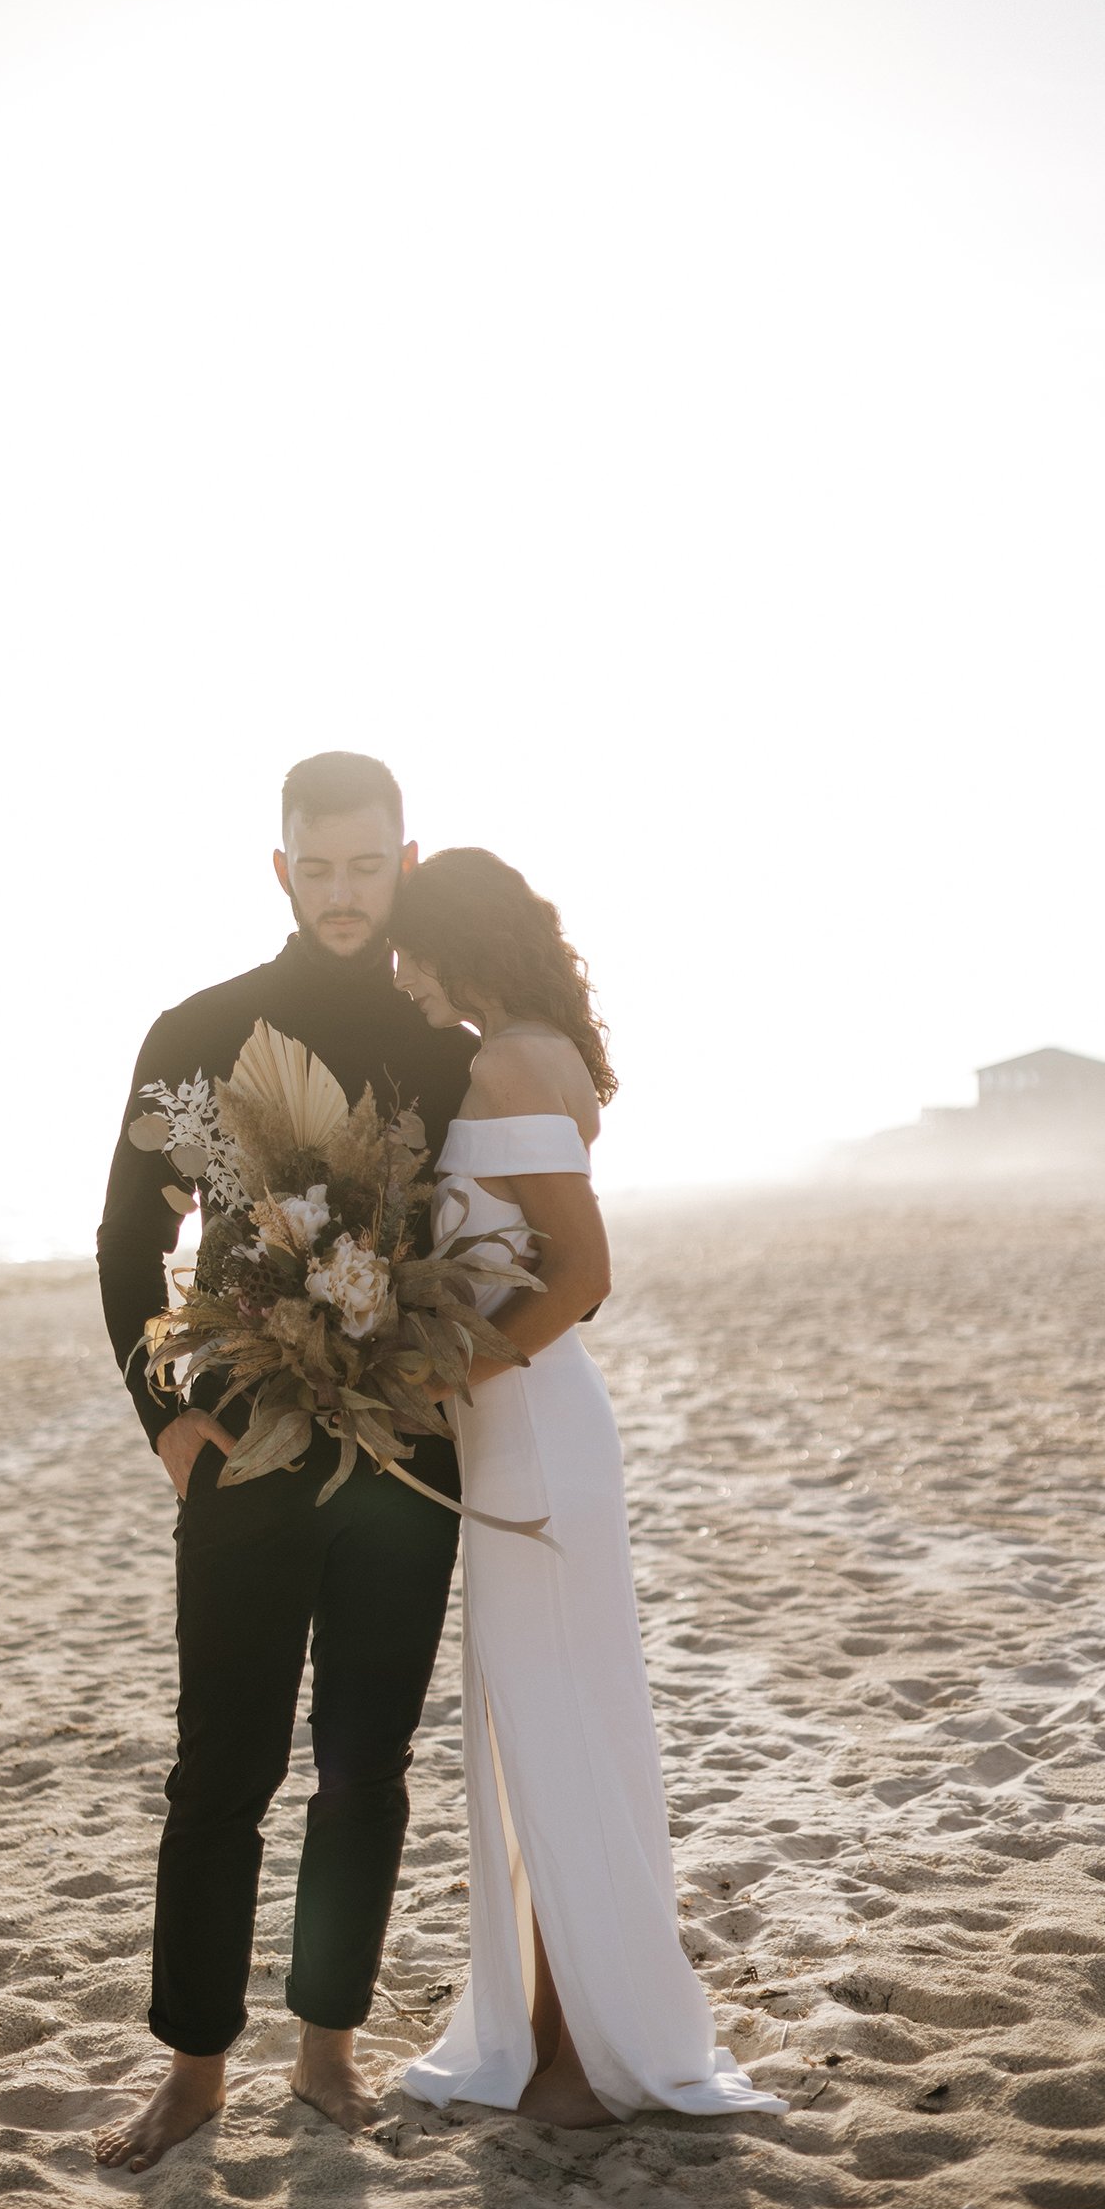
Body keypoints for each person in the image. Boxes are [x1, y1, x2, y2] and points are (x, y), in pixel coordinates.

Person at [93, 752, 475, 2173]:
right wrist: (170, 1427)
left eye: (366, 866)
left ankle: (326, 2051)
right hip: (243, 1454)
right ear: (279, 869)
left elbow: (504, 1229)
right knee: (222, 1772)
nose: (340, 893)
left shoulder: (449, 1044)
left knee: (366, 1766)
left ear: (403, 863)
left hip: (406, 1461)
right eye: (316, 867)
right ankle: (196, 2072)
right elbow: (130, 1243)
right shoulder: (195, 1030)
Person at [389, 848, 788, 2124]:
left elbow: (579, 1274)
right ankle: (561, 2028)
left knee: (555, 1737)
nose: (399, 970)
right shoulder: (541, 1049)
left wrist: (444, 1365)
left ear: (453, 940)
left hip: (533, 1432)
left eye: (411, 946)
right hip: (532, 1425)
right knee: (553, 1731)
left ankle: (579, 2061)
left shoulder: (505, 1063)